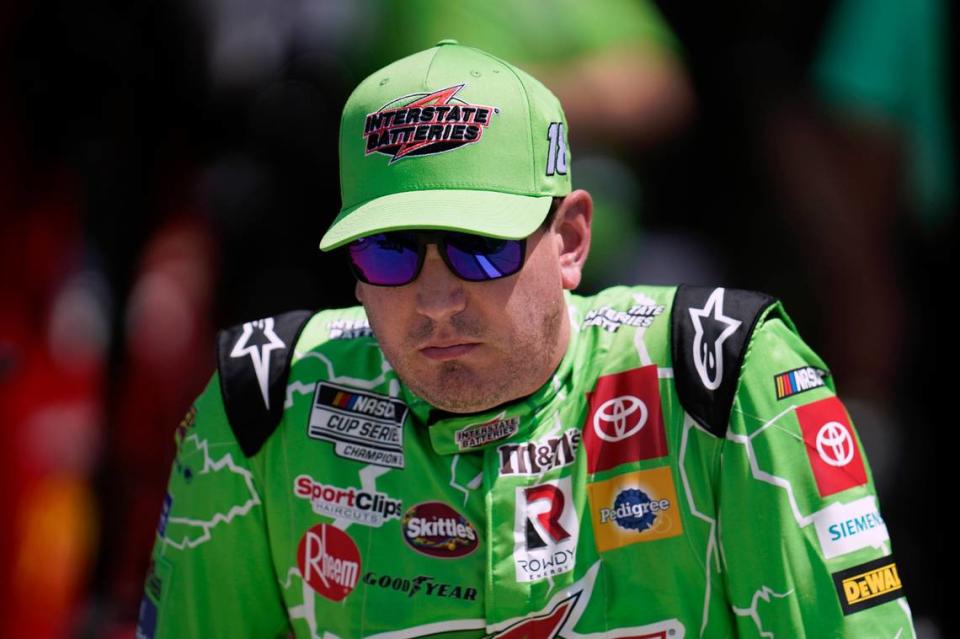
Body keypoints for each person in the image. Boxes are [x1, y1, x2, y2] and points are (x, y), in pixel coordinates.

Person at [137, 40, 914, 638]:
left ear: (572, 238)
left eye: (482, 246)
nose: (436, 300)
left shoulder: (724, 379)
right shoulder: (263, 405)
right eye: (390, 251)